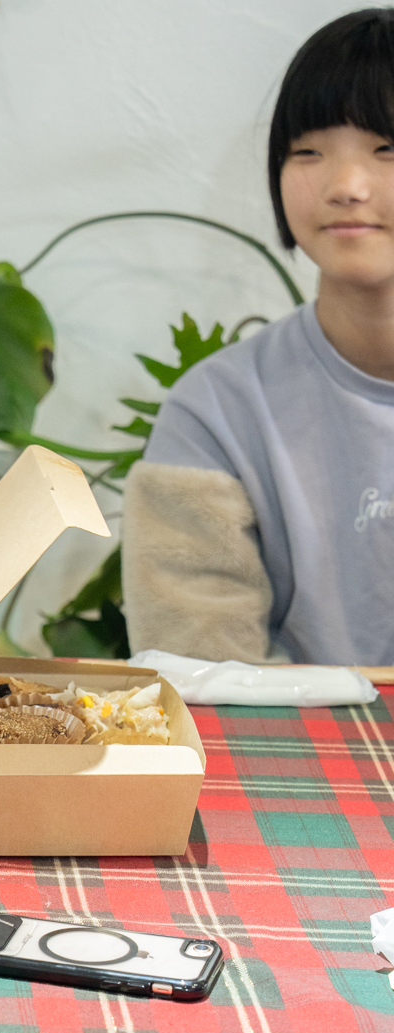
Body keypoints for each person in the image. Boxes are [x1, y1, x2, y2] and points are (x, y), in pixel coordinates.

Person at [122, 8, 394, 668]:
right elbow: (203, 676)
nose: (346, 187)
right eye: (308, 152)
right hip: (295, 738)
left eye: (387, 149)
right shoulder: (215, 412)